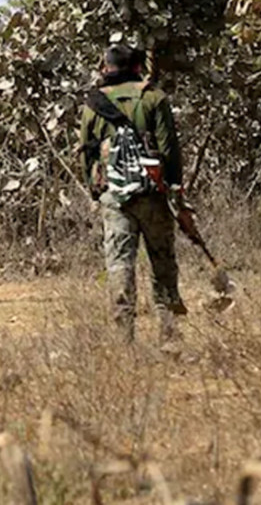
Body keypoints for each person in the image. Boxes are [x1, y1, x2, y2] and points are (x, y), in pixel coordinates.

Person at [79, 46, 188, 344]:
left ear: (106, 67)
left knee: (119, 265)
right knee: (163, 263)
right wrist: (175, 189)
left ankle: (123, 341)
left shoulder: (93, 104)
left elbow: (87, 153)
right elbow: (169, 150)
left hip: (114, 197)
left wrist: (95, 191)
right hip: (153, 194)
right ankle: (169, 338)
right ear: (138, 66)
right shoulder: (154, 97)